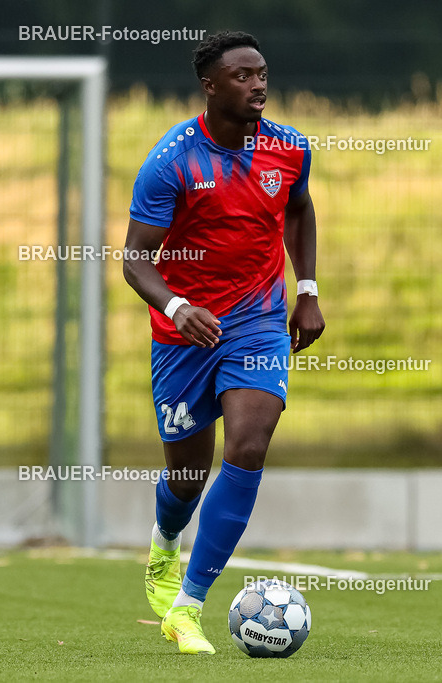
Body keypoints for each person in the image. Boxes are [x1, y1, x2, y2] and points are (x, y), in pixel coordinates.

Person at [123, 30, 325, 654]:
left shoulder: (289, 147)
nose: (258, 84)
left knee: (251, 439)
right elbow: (135, 259)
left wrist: (308, 288)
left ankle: (189, 605)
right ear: (210, 86)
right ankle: (164, 544)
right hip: (183, 332)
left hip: (257, 322)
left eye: (262, 73)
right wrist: (177, 306)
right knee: (187, 474)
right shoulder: (172, 161)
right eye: (242, 76)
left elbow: (298, 209)